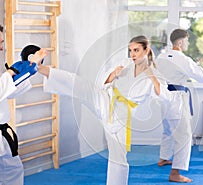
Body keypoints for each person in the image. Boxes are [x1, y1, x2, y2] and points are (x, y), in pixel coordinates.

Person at [37, 35, 171, 185]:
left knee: (118, 156)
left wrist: (151, 76)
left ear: (146, 50)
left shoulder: (154, 73)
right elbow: (105, 83)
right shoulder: (126, 63)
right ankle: (39, 68)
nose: (132, 54)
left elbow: (163, 95)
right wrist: (113, 74)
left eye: (136, 50)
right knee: (79, 84)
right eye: (130, 50)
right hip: (106, 98)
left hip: (122, 114)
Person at [156, 28, 203, 182]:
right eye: (187, 40)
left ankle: (164, 157)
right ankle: (175, 173)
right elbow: (202, 77)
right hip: (176, 99)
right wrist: (202, 66)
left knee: (167, 130)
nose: (188, 43)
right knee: (184, 136)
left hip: (163, 98)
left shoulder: (161, 56)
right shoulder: (183, 59)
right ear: (180, 42)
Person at [0, 24, 47, 185]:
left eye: (2, 43)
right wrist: (19, 70)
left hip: (2, 133)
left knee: (13, 171)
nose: (1, 48)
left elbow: (8, 92)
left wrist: (26, 69)